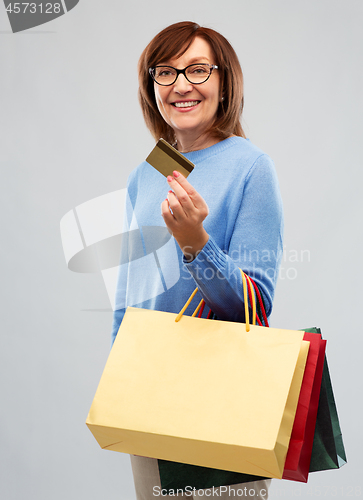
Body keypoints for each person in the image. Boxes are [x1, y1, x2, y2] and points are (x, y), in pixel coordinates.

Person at [111, 21, 283, 500]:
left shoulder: (252, 167)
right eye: (165, 72)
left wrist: (195, 243)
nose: (181, 85)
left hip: (222, 396)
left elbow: (254, 304)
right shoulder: (148, 173)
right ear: (152, 87)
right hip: (147, 391)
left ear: (224, 81)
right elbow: (130, 289)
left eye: (198, 70)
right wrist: (118, 374)